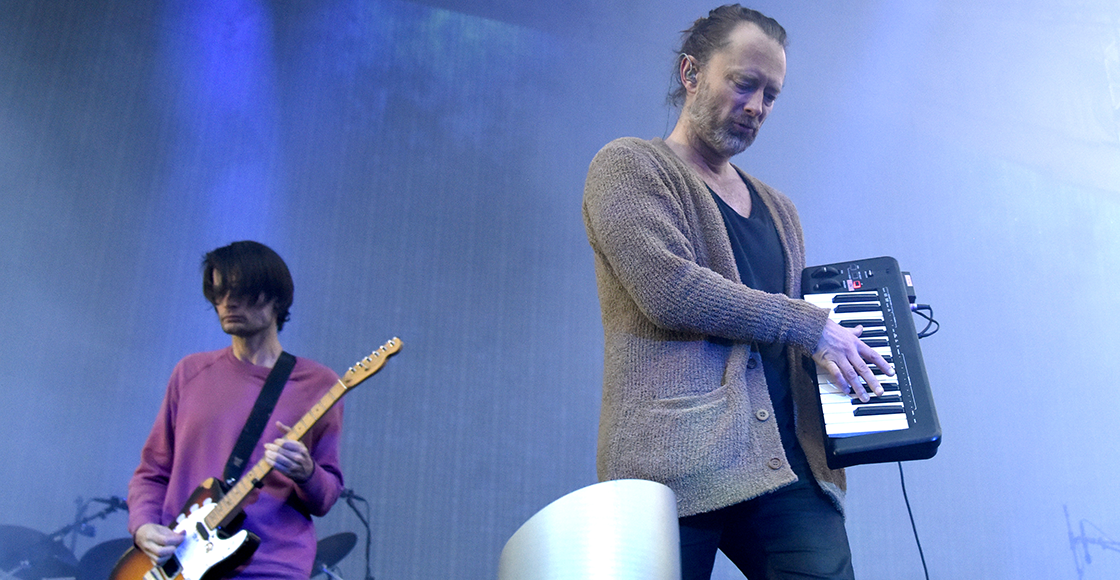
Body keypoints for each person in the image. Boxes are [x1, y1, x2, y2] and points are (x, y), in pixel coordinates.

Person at [582, 5, 892, 579]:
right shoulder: (628, 166)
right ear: (691, 73)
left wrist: (862, 324)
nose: (757, 106)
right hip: (674, 461)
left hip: (786, 462)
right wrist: (811, 326)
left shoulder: (781, 209)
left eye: (771, 95)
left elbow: (788, 331)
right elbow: (671, 290)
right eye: (744, 83)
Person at [127, 240, 345, 579]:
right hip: (181, 563)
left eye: (241, 291)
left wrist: (306, 472)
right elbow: (153, 471)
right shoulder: (191, 372)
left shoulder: (319, 384)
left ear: (276, 298)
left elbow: (326, 497)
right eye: (219, 292)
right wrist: (143, 526)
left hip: (271, 567)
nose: (227, 302)